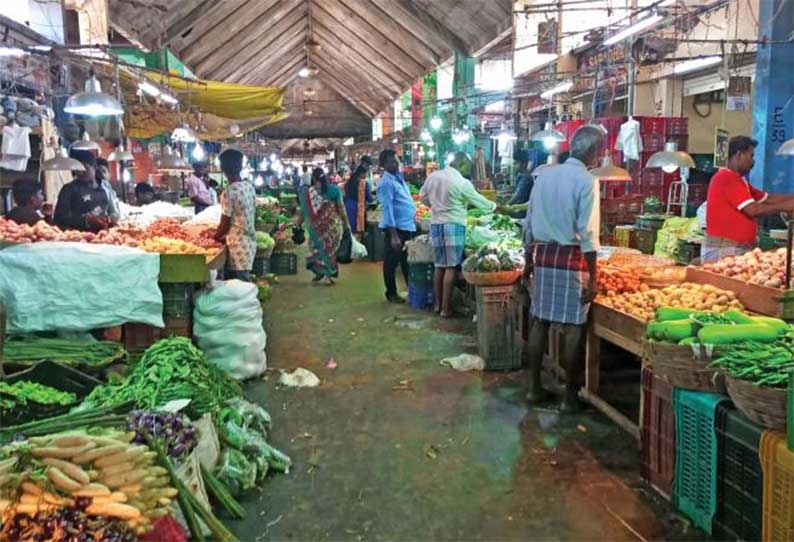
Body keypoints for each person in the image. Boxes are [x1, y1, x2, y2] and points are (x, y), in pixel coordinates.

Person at [523, 125, 605, 413]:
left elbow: (529, 221)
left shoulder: (544, 176)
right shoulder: (587, 181)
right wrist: (594, 278)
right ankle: (569, 398)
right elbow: (589, 233)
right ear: (597, 153)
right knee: (573, 328)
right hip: (571, 259)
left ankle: (533, 389)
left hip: (544, 256)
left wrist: (527, 261)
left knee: (539, 322)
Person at [420, 152, 496, 317]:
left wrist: (436, 206)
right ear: (461, 165)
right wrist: (494, 207)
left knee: (439, 265)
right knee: (451, 267)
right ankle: (446, 309)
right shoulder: (462, 182)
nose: (468, 170)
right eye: (468, 166)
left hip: (436, 225)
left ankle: (437, 304)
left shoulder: (433, 176)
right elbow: (480, 201)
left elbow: (423, 197)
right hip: (454, 225)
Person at [702, 136, 794, 263]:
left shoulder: (739, 180)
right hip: (725, 250)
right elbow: (753, 210)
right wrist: (786, 207)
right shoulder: (726, 177)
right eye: (751, 156)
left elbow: (768, 199)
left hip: (736, 248)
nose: (753, 161)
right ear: (739, 155)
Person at [297, 168, 352, 284]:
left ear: (313, 178)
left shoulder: (309, 193)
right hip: (332, 227)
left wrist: (298, 223)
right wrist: (346, 224)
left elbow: (303, 210)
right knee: (330, 251)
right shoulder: (335, 190)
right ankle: (327, 275)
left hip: (315, 228)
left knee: (316, 250)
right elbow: (341, 208)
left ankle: (320, 272)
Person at [377, 149, 416, 303]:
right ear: (384, 165)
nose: (396, 163)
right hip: (396, 229)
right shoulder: (386, 183)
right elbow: (388, 208)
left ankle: (412, 291)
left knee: (406, 262)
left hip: (406, 226)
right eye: (392, 161)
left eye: (397, 160)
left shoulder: (398, 178)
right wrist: (393, 235)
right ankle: (391, 293)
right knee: (391, 262)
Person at [214, 149, 256, 281]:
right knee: (244, 282)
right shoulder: (249, 187)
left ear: (222, 168)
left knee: (240, 284)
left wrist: (213, 237)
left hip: (237, 246)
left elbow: (224, 225)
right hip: (249, 241)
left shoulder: (228, 193)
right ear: (240, 166)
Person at [54, 150, 111, 232]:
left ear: (94, 167)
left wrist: (109, 219)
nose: (80, 172)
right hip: (80, 238)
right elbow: (59, 218)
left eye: (85, 169)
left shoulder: (104, 187)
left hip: (103, 236)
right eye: (77, 169)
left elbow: (108, 211)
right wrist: (87, 220)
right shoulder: (69, 189)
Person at [343, 165, 374, 237]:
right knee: (358, 232)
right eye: (366, 173)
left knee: (351, 232)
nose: (366, 175)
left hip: (347, 207)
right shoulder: (364, 183)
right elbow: (370, 199)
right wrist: (374, 197)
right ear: (362, 173)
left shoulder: (348, 182)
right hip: (358, 209)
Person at [96, 157, 120, 225]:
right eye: (97, 172)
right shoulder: (100, 188)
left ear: (109, 173)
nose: (101, 175)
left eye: (103, 171)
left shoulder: (109, 189)